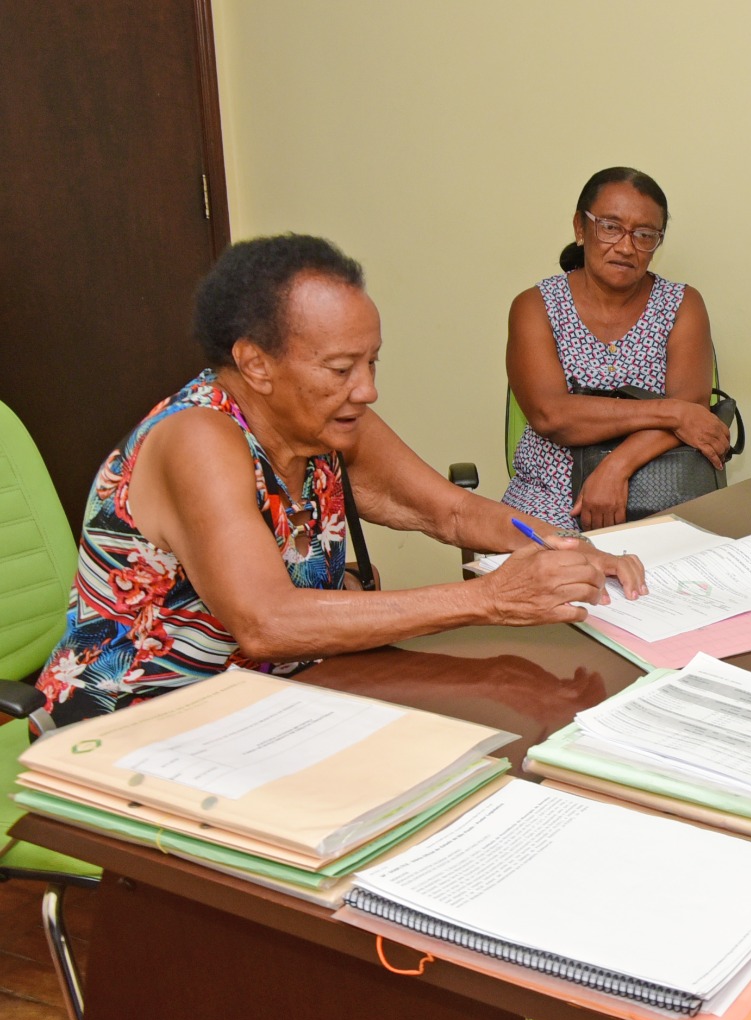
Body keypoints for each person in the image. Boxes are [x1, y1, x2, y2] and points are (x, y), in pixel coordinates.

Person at [34, 234, 646, 726]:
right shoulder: (198, 438)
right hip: (137, 726)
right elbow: (265, 621)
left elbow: (453, 513)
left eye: (371, 361)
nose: (368, 389)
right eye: (341, 367)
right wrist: (487, 598)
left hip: (278, 702)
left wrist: (568, 549)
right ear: (255, 363)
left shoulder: (330, 423)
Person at [501, 166, 729, 531]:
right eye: (610, 227)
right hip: (545, 499)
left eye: (644, 234)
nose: (626, 246)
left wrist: (615, 468)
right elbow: (551, 415)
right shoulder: (535, 306)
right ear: (580, 227)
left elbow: (694, 415)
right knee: (548, 580)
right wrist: (671, 413)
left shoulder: (683, 304)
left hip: (661, 499)